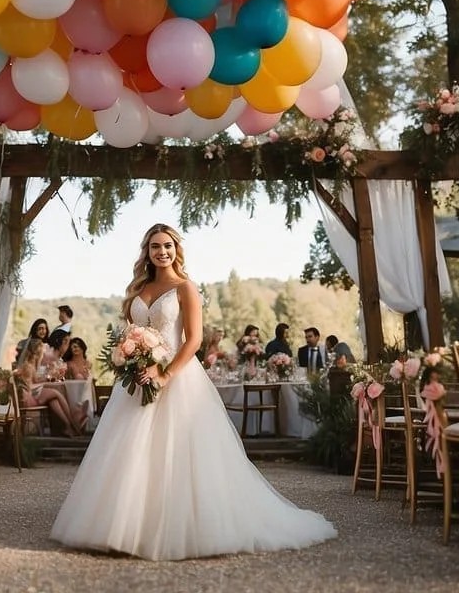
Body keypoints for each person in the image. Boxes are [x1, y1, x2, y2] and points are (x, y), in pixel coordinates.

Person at [51, 223, 337, 560]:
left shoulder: (185, 287)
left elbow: (194, 340)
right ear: (147, 252)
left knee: (179, 451)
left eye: (168, 245)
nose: (162, 252)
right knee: (130, 451)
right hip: (138, 377)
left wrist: (165, 373)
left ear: (176, 248)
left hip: (177, 377)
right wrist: (130, 358)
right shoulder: (138, 287)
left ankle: (177, 528)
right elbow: (131, 332)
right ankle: (122, 526)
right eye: (155, 247)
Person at [17, 338, 87, 437]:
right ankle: (73, 425)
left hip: (33, 391)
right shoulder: (28, 366)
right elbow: (30, 384)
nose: (43, 353)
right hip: (30, 395)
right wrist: (44, 382)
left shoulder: (31, 364)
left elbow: (36, 380)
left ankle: (68, 427)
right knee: (57, 394)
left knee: (54, 400)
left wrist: (49, 377)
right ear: (37, 352)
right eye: (42, 351)